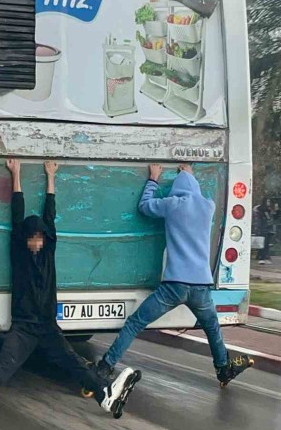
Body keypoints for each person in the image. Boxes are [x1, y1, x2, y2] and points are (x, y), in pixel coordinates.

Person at [0, 159, 142, 420]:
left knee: (73, 362)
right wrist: (16, 174)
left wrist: (51, 177)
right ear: (25, 238)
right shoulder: (19, 251)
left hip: (47, 326)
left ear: (45, 238)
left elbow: (50, 214)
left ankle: (106, 395)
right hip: (23, 326)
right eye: (32, 237)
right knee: (6, 362)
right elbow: (17, 212)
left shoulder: (49, 251)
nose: (36, 241)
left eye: (40, 237)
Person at [96, 164, 253, 387]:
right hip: (201, 287)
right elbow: (201, 192)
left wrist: (153, 180)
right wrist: (188, 174)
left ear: (176, 188)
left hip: (174, 286)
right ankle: (223, 369)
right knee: (211, 327)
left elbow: (144, 206)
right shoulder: (208, 206)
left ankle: (106, 366)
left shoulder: (172, 205)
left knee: (135, 323)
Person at [255, 198, 276, 265]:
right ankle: (262, 257)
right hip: (263, 228)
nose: (269, 202)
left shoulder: (269, 210)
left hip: (268, 228)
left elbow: (274, 217)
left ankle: (264, 257)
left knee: (266, 243)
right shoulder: (261, 210)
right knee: (263, 243)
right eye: (268, 201)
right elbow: (261, 220)